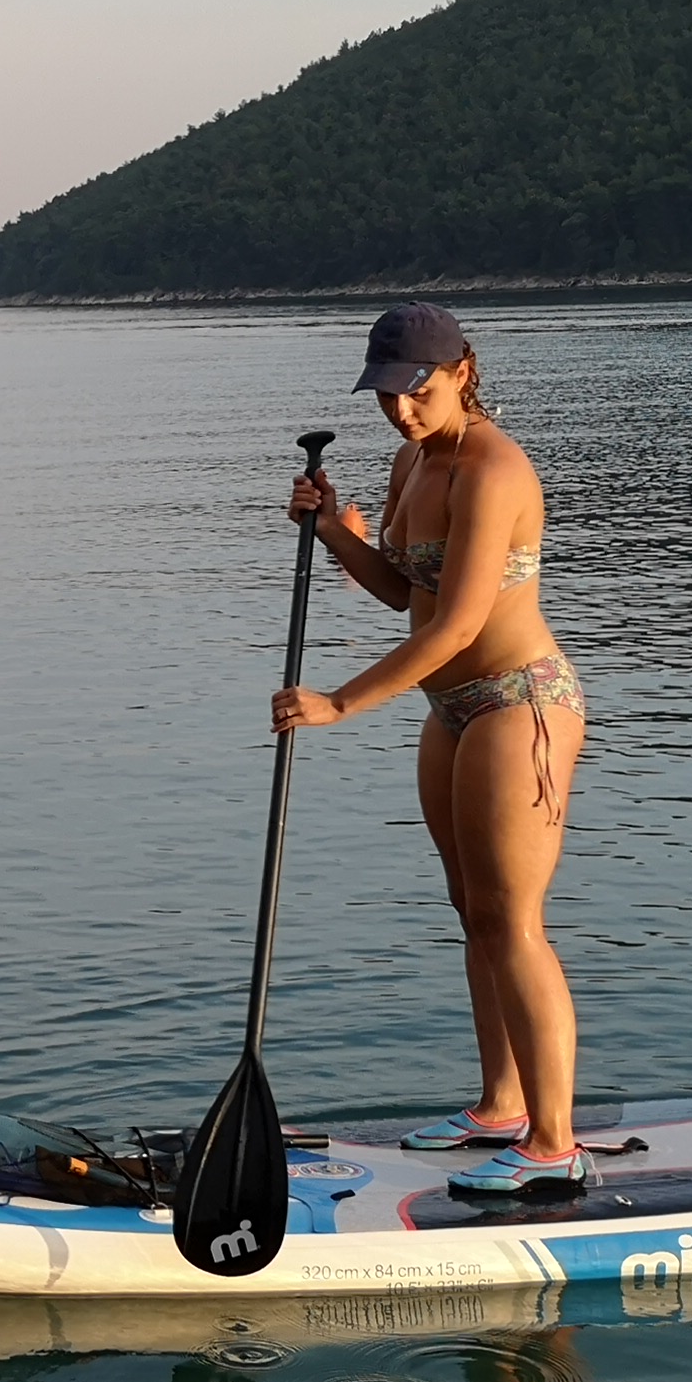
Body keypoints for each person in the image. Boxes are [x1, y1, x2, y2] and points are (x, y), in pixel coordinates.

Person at [271, 303, 592, 1193]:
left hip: (519, 704)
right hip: (452, 712)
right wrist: (337, 528)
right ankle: (501, 1104)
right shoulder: (416, 458)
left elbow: (455, 627)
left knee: (515, 922)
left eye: (417, 392)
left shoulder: (494, 469)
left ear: (463, 371)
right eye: (385, 395)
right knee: (473, 912)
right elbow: (402, 590)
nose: (401, 413)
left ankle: (555, 1143)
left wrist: (339, 701)